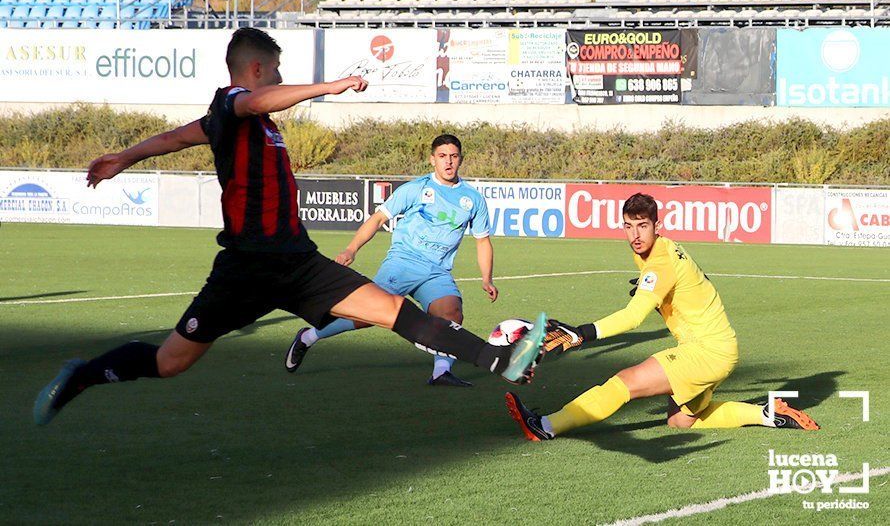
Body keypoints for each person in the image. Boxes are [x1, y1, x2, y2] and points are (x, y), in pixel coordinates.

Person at [33, 28, 547, 426]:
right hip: (245, 268)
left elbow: (174, 138)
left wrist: (124, 156)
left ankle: (497, 359)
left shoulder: (251, 123)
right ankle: (83, 374)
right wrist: (331, 85)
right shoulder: (232, 105)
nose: (279, 79)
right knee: (171, 362)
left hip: (298, 261)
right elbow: (250, 101)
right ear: (256, 68)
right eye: (276, 70)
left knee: (398, 313)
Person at [505, 192, 819, 441]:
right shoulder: (663, 251)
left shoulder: (659, 262)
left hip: (705, 351)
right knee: (680, 421)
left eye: (643, 226)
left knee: (624, 382)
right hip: (720, 349)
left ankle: (545, 426)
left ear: (658, 225)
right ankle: (767, 414)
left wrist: (582, 333)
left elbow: (633, 317)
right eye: (629, 226)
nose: (635, 235)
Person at [285, 134, 496, 387]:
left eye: (453, 156)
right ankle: (309, 336)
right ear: (432, 160)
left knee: (451, 313)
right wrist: (351, 249)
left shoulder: (473, 199)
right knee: (364, 316)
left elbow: (482, 240)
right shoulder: (415, 189)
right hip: (403, 262)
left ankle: (441, 372)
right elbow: (377, 219)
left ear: (460, 159)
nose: (448, 162)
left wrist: (487, 278)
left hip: (437, 271)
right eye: (442, 156)